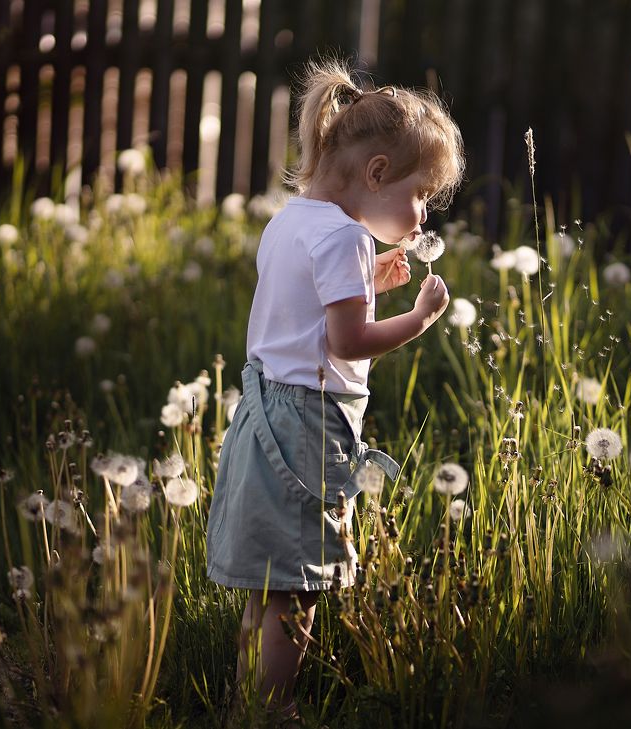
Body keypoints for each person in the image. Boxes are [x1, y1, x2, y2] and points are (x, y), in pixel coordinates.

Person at [206, 58, 465, 724]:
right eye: (421, 195)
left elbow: (303, 313)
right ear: (377, 173)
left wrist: (369, 285)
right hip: (308, 423)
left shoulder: (292, 220)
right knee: (299, 588)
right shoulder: (346, 237)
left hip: (261, 409)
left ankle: (247, 700)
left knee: (266, 583)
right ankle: (278, 706)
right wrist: (417, 318)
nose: (421, 215)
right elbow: (346, 344)